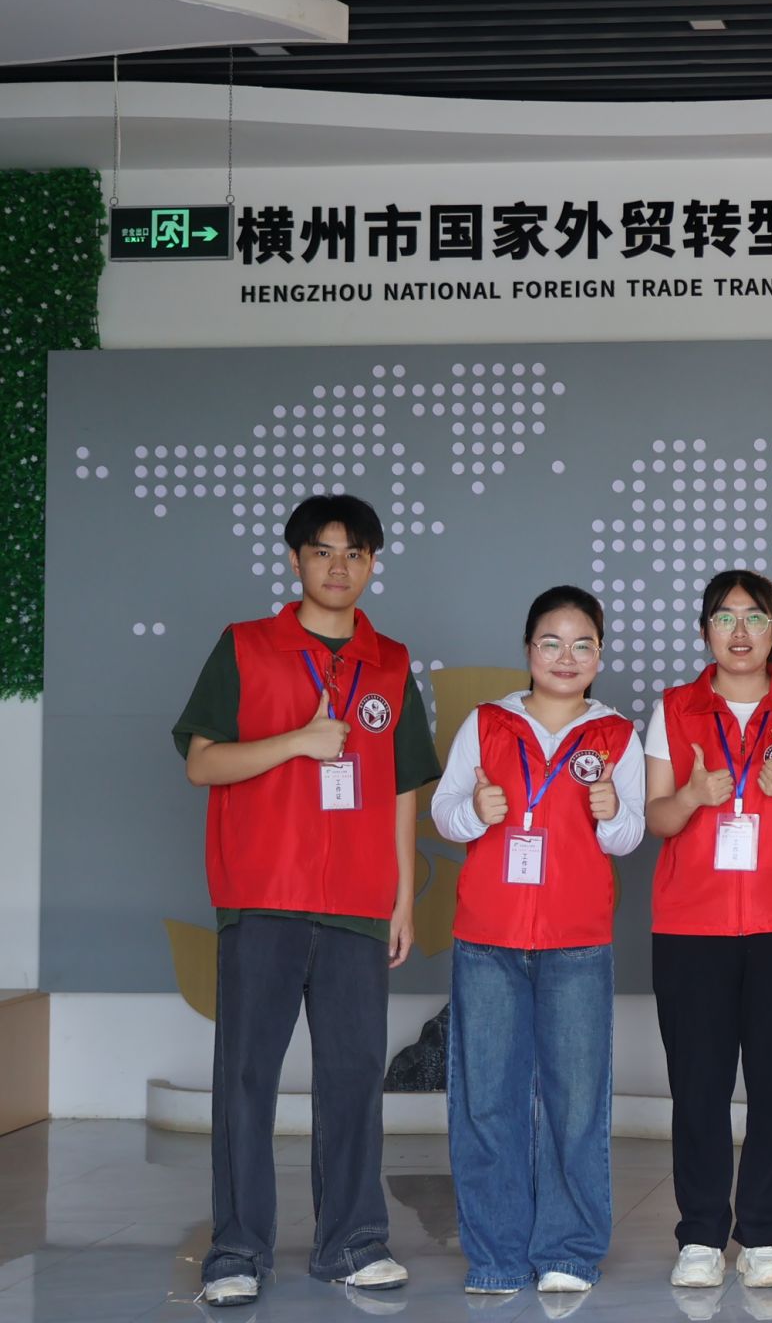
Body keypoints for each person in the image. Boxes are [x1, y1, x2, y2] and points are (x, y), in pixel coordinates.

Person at [172, 494, 438, 1308]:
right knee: (247, 1077)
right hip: (262, 895)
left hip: (357, 903)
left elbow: (401, 787)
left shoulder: (390, 663)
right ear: (294, 559)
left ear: (372, 564)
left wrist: (401, 899)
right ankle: (236, 1250)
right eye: (323, 551)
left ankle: (353, 1242)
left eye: (355, 553)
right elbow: (202, 763)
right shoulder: (245, 646)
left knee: (353, 1076)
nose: (338, 567)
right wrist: (298, 741)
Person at [429, 585, 647, 1298]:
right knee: (486, 1101)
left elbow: (628, 836)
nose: (565, 656)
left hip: (576, 943)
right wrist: (475, 808)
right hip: (487, 939)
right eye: (551, 642)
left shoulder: (616, 736)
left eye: (583, 644)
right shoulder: (487, 723)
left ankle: (569, 1251)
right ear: (528, 650)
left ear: (600, 656)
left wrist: (611, 810)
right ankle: (495, 1254)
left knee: (575, 1104)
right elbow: (443, 813)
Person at [644, 570, 772, 1291]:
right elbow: (654, 819)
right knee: (697, 1086)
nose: (739, 632)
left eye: (754, 617)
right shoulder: (674, 710)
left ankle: (764, 1236)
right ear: (705, 631)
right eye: (724, 618)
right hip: (691, 926)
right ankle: (700, 1233)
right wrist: (695, 795)